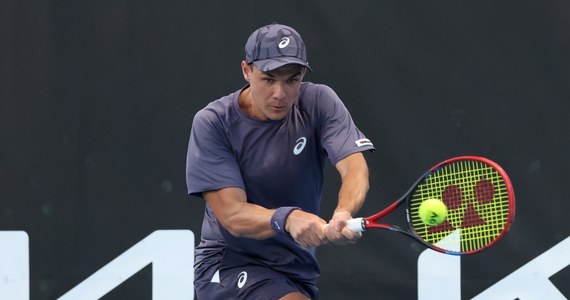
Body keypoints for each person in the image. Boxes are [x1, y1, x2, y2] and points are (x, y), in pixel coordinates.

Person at [186, 23, 375, 300]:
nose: (280, 93)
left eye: (292, 80)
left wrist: (343, 212)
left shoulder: (319, 102)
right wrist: (288, 218)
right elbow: (233, 215)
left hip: (296, 269)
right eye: (268, 79)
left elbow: (354, 168)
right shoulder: (213, 123)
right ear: (246, 71)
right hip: (229, 264)